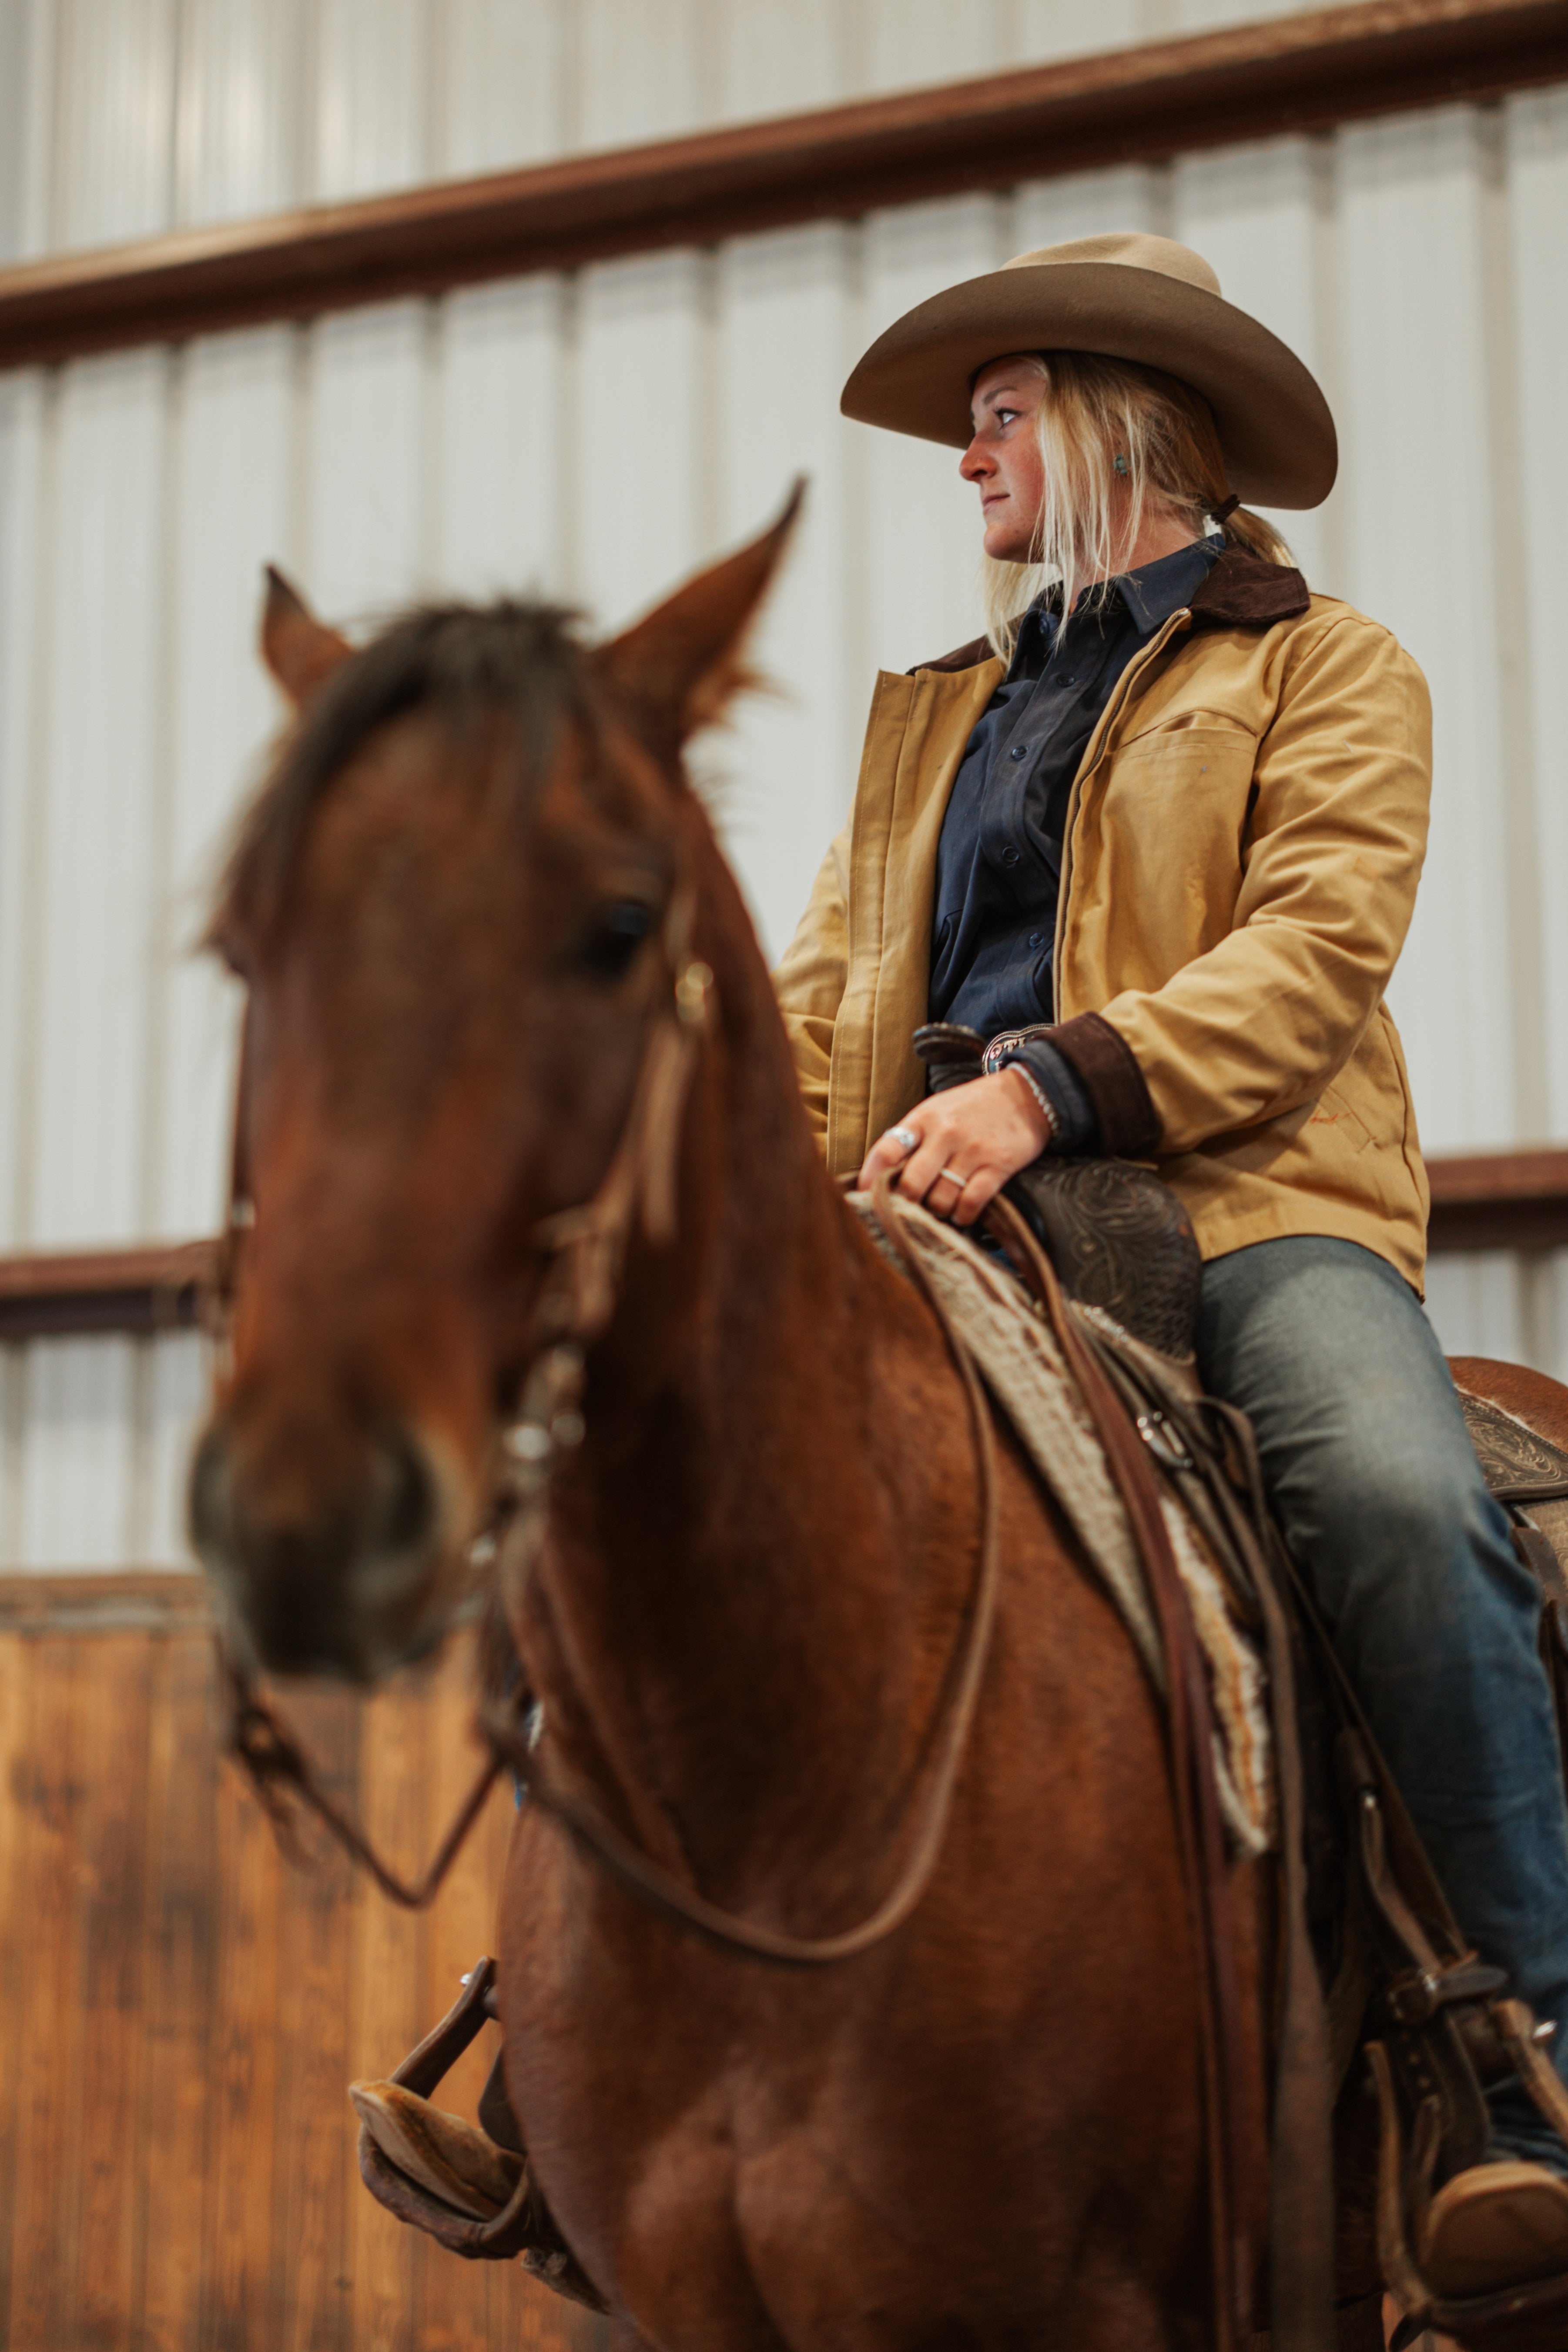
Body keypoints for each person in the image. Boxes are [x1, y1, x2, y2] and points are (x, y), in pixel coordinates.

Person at [774, 230, 1568, 2298]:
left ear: (1128, 409)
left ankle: (1523, 2056)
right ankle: (607, 2032)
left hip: (1239, 1200)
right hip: (931, 1198)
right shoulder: (933, 714)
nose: (966, 455)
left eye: (1001, 409)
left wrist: (1046, 1086)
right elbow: (831, 987)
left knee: (1394, 1498)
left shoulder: (1326, 667)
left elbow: (1309, 955)